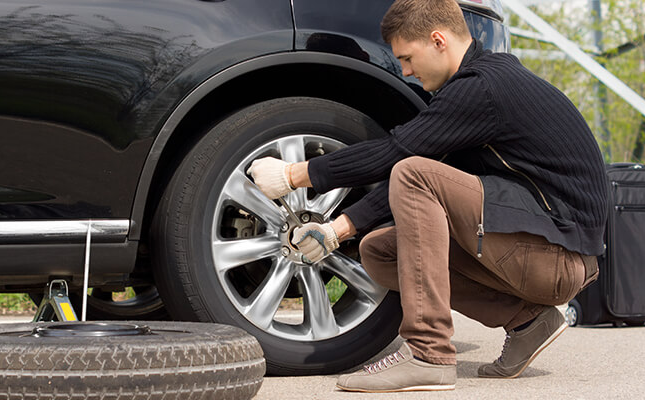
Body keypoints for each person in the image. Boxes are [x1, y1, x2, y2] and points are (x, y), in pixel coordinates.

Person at [247, 0, 608, 393]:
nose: (405, 71)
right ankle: (527, 321)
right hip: (544, 249)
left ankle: (428, 354)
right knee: (380, 251)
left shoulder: (481, 89)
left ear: (438, 40)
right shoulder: (477, 87)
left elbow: (398, 156)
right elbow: (428, 164)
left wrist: (294, 174)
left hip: (557, 257)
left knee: (412, 171)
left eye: (406, 58)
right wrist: (337, 230)